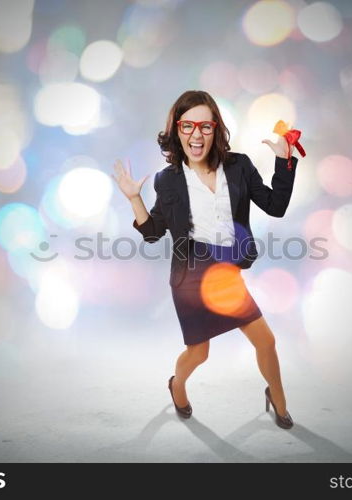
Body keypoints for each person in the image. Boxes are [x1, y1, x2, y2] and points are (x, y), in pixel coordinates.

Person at [112, 90, 299, 429]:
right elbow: (153, 232)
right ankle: (177, 385)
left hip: (225, 273)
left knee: (266, 341)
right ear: (177, 131)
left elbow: (276, 206)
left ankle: (279, 401)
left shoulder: (239, 166)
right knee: (200, 353)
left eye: (205, 126)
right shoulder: (167, 180)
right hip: (191, 274)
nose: (196, 134)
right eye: (187, 126)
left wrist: (285, 161)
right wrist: (134, 198)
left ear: (215, 130)